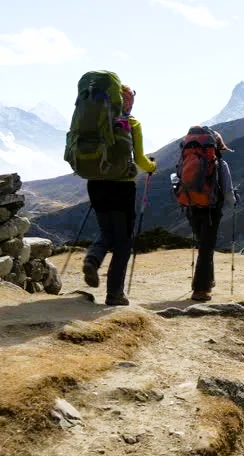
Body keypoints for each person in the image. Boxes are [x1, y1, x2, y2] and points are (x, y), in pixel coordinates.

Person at [82, 85, 157, 305]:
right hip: (122, 187)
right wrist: (152, 166)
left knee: (106, 230)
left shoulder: (94, 120)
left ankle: (93, 260)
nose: (132, 103)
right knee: (123, 241)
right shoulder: (132, 123)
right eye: (131, 100)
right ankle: (115, 294)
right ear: (126, 101)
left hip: (96, 184)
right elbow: (141, 160)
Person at [184, 129, 238, 301]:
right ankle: (201, 289)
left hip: (192, 207)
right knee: (207, 248)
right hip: (211, 210)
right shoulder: (221, 165)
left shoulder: (188, 159)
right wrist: (235, 200)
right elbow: (228, 191)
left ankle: (208, 280)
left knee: (203, 244)